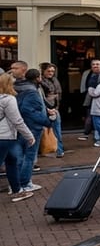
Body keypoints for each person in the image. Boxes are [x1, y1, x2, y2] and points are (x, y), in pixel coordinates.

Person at [13, 65, 53, 193]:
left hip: (19, 126)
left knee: (19, 156)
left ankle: (16, 184)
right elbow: (29, 110)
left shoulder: (17, 87)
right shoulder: (32, 91)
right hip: (32, 127)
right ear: (37, 78)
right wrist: (47, 121)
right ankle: (25, 183)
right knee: (29, 156)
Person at [0, 73, 37, 202]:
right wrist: (29, 136)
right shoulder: (9, 99)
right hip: (4, 136)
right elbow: (17, 120)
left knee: (12, 161)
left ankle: (17, 190)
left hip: (4, 137)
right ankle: (17, 191)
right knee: (10, 162)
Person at [38, 62, 66, 157]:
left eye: (52, 71)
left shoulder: (55, 80)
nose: (51, 73)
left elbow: (58, 94)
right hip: (45, 108)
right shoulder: (40, 82)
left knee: (57, 130)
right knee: (42, 131)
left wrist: (55, 106)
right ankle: (44, 149)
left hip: (55, 108)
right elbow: (41, 97)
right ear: (43, 71)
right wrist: (47, 108)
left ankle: (59, 150)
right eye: (48, 71)